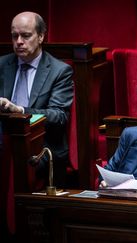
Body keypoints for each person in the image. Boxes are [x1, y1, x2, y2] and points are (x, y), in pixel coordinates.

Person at [0, 12, 74, 187]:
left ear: (41, 36)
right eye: (14, 36)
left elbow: (59, 116)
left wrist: (21, 111)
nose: (18, 41)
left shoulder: (59, 71)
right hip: (3, 139)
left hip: (41, 147)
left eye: (25, 36)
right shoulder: (2, 65)